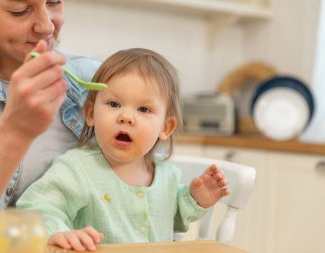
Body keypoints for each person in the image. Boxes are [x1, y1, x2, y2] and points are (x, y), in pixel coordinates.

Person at [17, 48, 230, 252]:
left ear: (165, 128)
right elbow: (36, 209)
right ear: (90, 114)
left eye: (144, 109)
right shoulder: (76, 169)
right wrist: (57, 234)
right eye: (114, 104)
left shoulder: (168, 174)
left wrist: (195, 199)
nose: (126, 117)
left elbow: (171, 216)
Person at [0, 0, 100, 243]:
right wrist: (14, 128)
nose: (47, 27)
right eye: (20, 10)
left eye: (54, 2)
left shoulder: (98, 81)